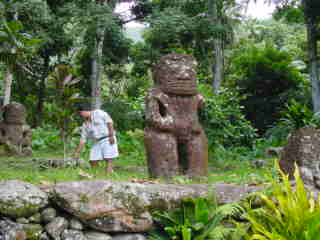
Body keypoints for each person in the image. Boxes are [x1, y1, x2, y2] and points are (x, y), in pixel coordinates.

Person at [73, 103, 119, 173]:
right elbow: (83, 140)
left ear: (83, 112)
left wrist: (111, 135)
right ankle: (96, 174)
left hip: (107, 138)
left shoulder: (99, 113)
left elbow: (110, 122)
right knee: (92, 160)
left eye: (80, 114)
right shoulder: (85, 124)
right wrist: (77, 152)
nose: (81, 116)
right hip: (97, 141)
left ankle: (108, 172)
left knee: (108, 158)